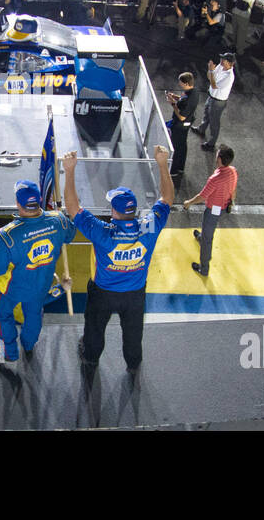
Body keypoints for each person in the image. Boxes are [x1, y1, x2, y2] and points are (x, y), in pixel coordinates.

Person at [62, 145, 174, 375]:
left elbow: (73, 208)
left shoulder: (103, 232)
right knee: (133, 333)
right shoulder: (149, 226)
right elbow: (167, 199)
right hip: (134, 294)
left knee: (94, 330)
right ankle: (133, 364)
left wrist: (69, 171)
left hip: (103, 293)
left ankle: (91, 358)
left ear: (113, 211)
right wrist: (162, 164)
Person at [0, 181, 78, 365]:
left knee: (1, 313)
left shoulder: (7, 235)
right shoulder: (58, 220)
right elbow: (70, 235)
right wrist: (60, 218)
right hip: (40, 286)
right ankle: (28, 345)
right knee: (34, 315)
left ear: (18, 204)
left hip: (10, 289)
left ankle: (9, 352)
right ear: (41, 200)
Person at [182, 144, 238, 277]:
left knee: (208, 239)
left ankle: (204, 268)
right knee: (207, 231)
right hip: (225, 206)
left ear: (219, 159)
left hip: (213, 210)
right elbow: (234, 189)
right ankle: (202, 237)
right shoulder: (233, 171)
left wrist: (188, 202)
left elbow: (202, 196)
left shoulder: (215, 179)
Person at [194, 53, 235, 152]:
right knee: (206, 114)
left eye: (224, 60)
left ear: (230, 63)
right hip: (211, 96)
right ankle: (201, 129)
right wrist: (210, 70)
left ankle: (211, 143)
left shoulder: (229, 76)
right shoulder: (220, 67)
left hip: (218, 102)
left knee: (214, 122)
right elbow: (209, 77)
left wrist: (211, 70)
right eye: (221, 58)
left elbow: (214, 85)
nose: (221, 61)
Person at [166, 73, 195, 178]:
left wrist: (173, 103)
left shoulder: (189, 99)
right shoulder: (193, 92)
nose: (179, 84)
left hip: (180, 125)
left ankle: (173, 170)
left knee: (176, 147)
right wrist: (176, 97)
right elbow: (182, 100)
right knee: (182, 146)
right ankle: (181, 167)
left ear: (186, 83)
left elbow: (182, 116)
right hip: (185, 124)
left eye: (180, 82)